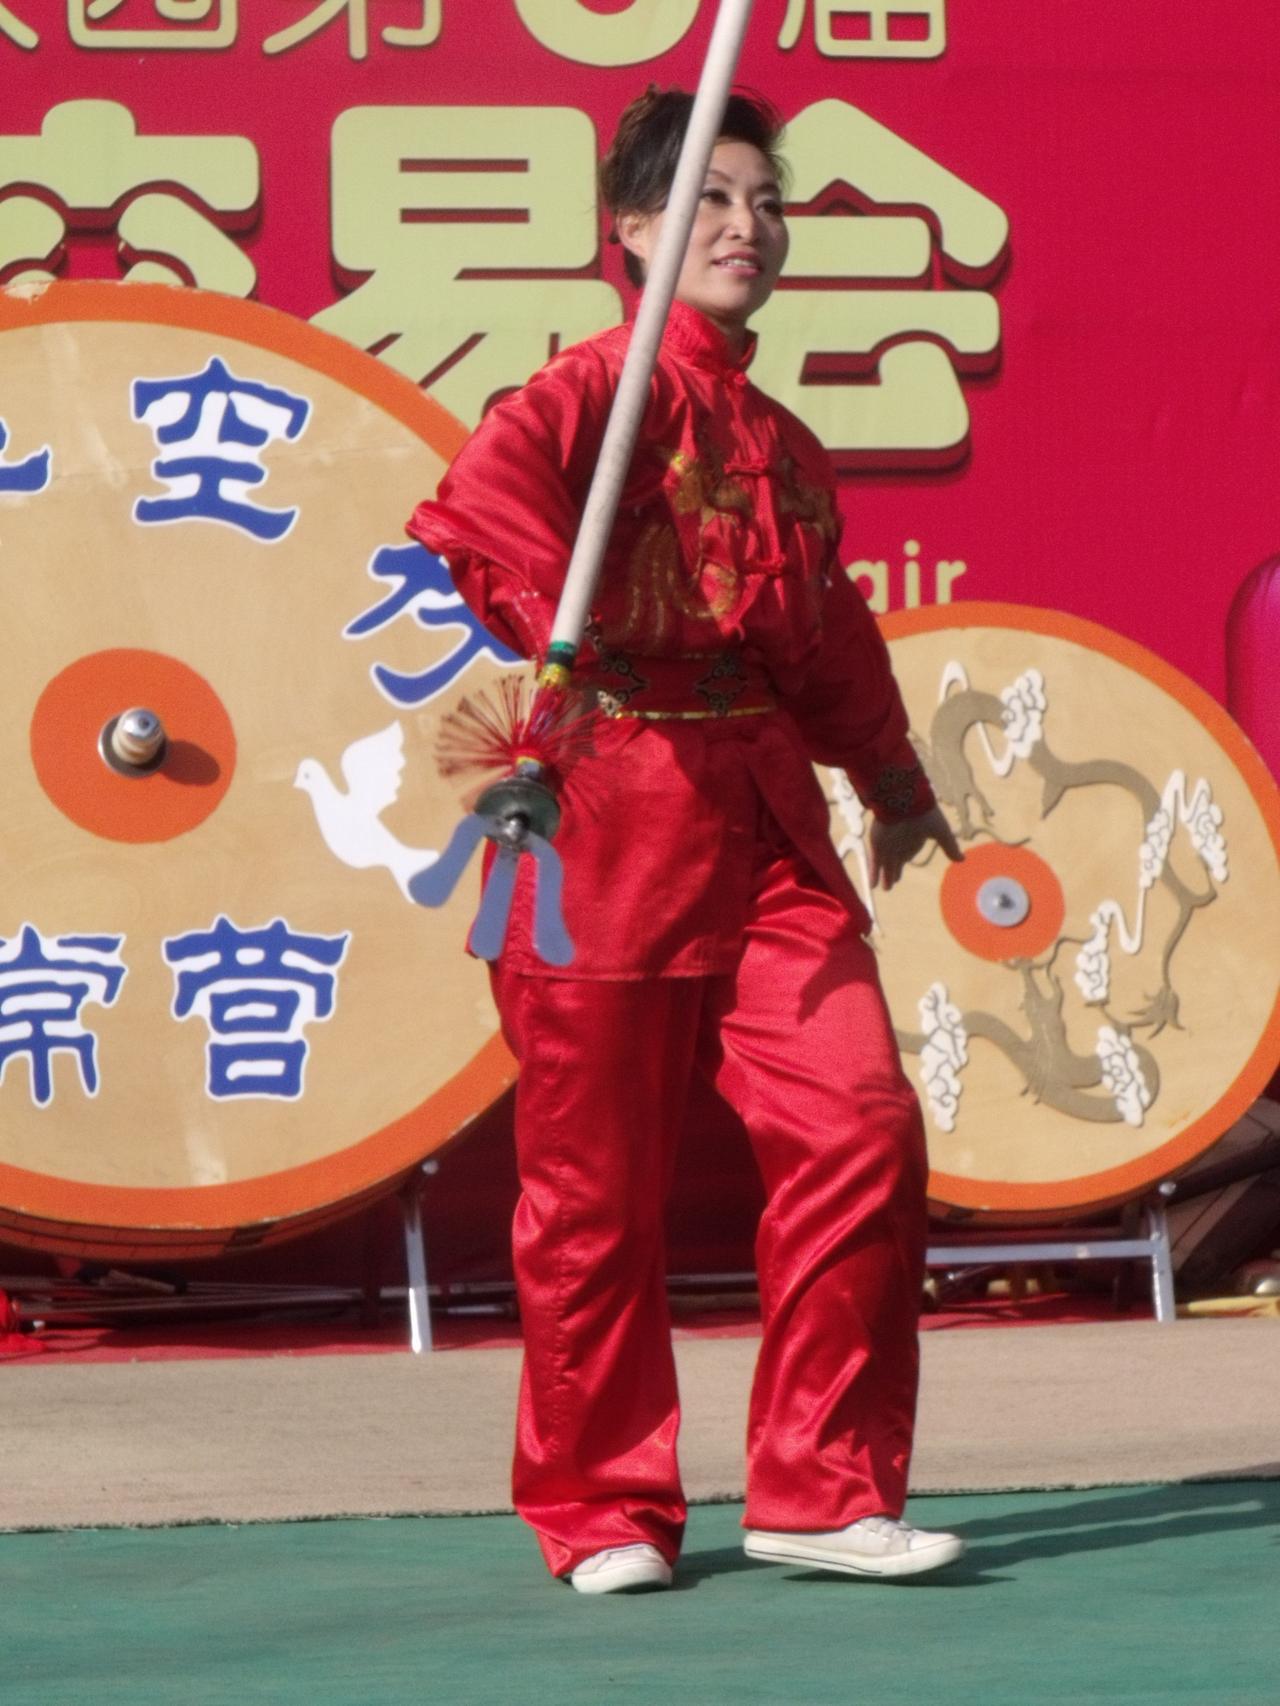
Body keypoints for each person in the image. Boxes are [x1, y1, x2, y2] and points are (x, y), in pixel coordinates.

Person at [408, 87, 965, 1595]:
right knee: (593, 1192)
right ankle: (600, 1506)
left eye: (766, 204)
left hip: (765, 813)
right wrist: (559, 616)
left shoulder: (785, 443)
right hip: (608, 816)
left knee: (859, 1124)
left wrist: (893, 780)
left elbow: (828, 631)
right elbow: (481, 503)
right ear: (635, 230)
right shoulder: (584, 394)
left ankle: (821, 1489)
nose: (747, 227)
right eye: (711, 202)